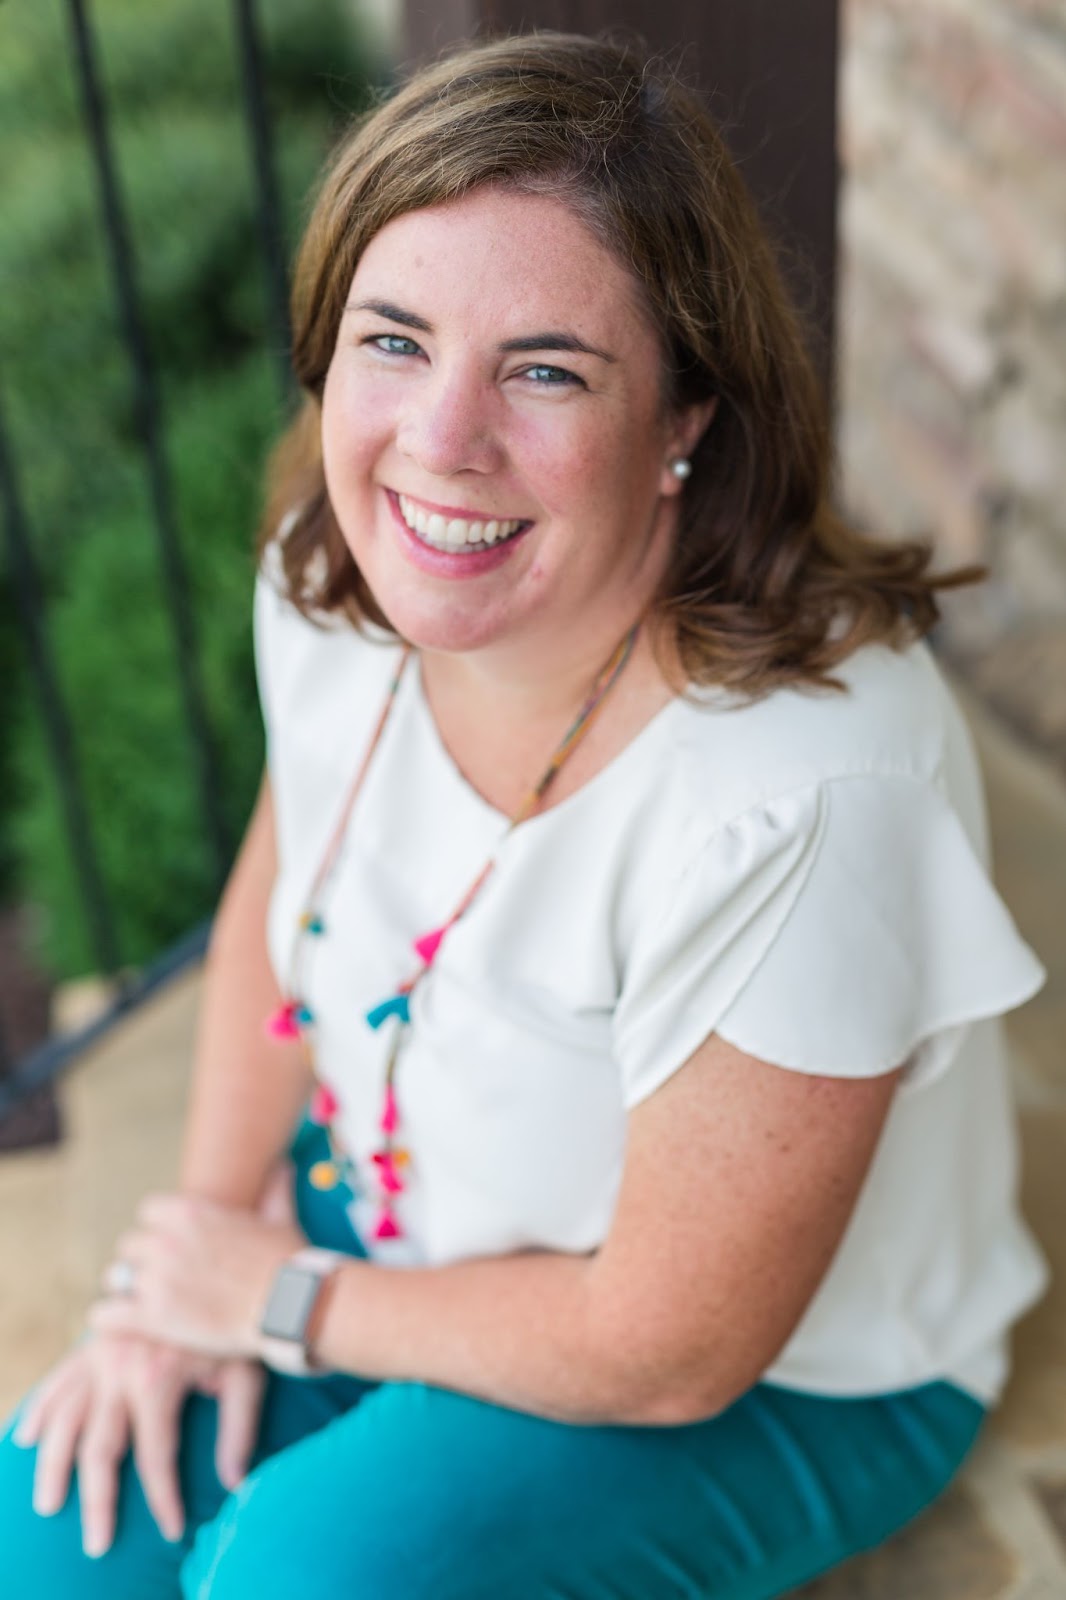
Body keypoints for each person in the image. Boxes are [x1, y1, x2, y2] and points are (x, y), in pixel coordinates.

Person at [0, 29, 1049, 1600]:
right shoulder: (336, 572)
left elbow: (672, 1344)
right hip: (399, 1216)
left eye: (545, 368)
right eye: (393, 339)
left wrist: (272, 1297)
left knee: (297, 1575)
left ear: (685, 412)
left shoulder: (807, 795)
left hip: (772, 1375)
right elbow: (278, 910)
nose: (437, 443)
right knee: (54, 1530)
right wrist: (182, 1268)